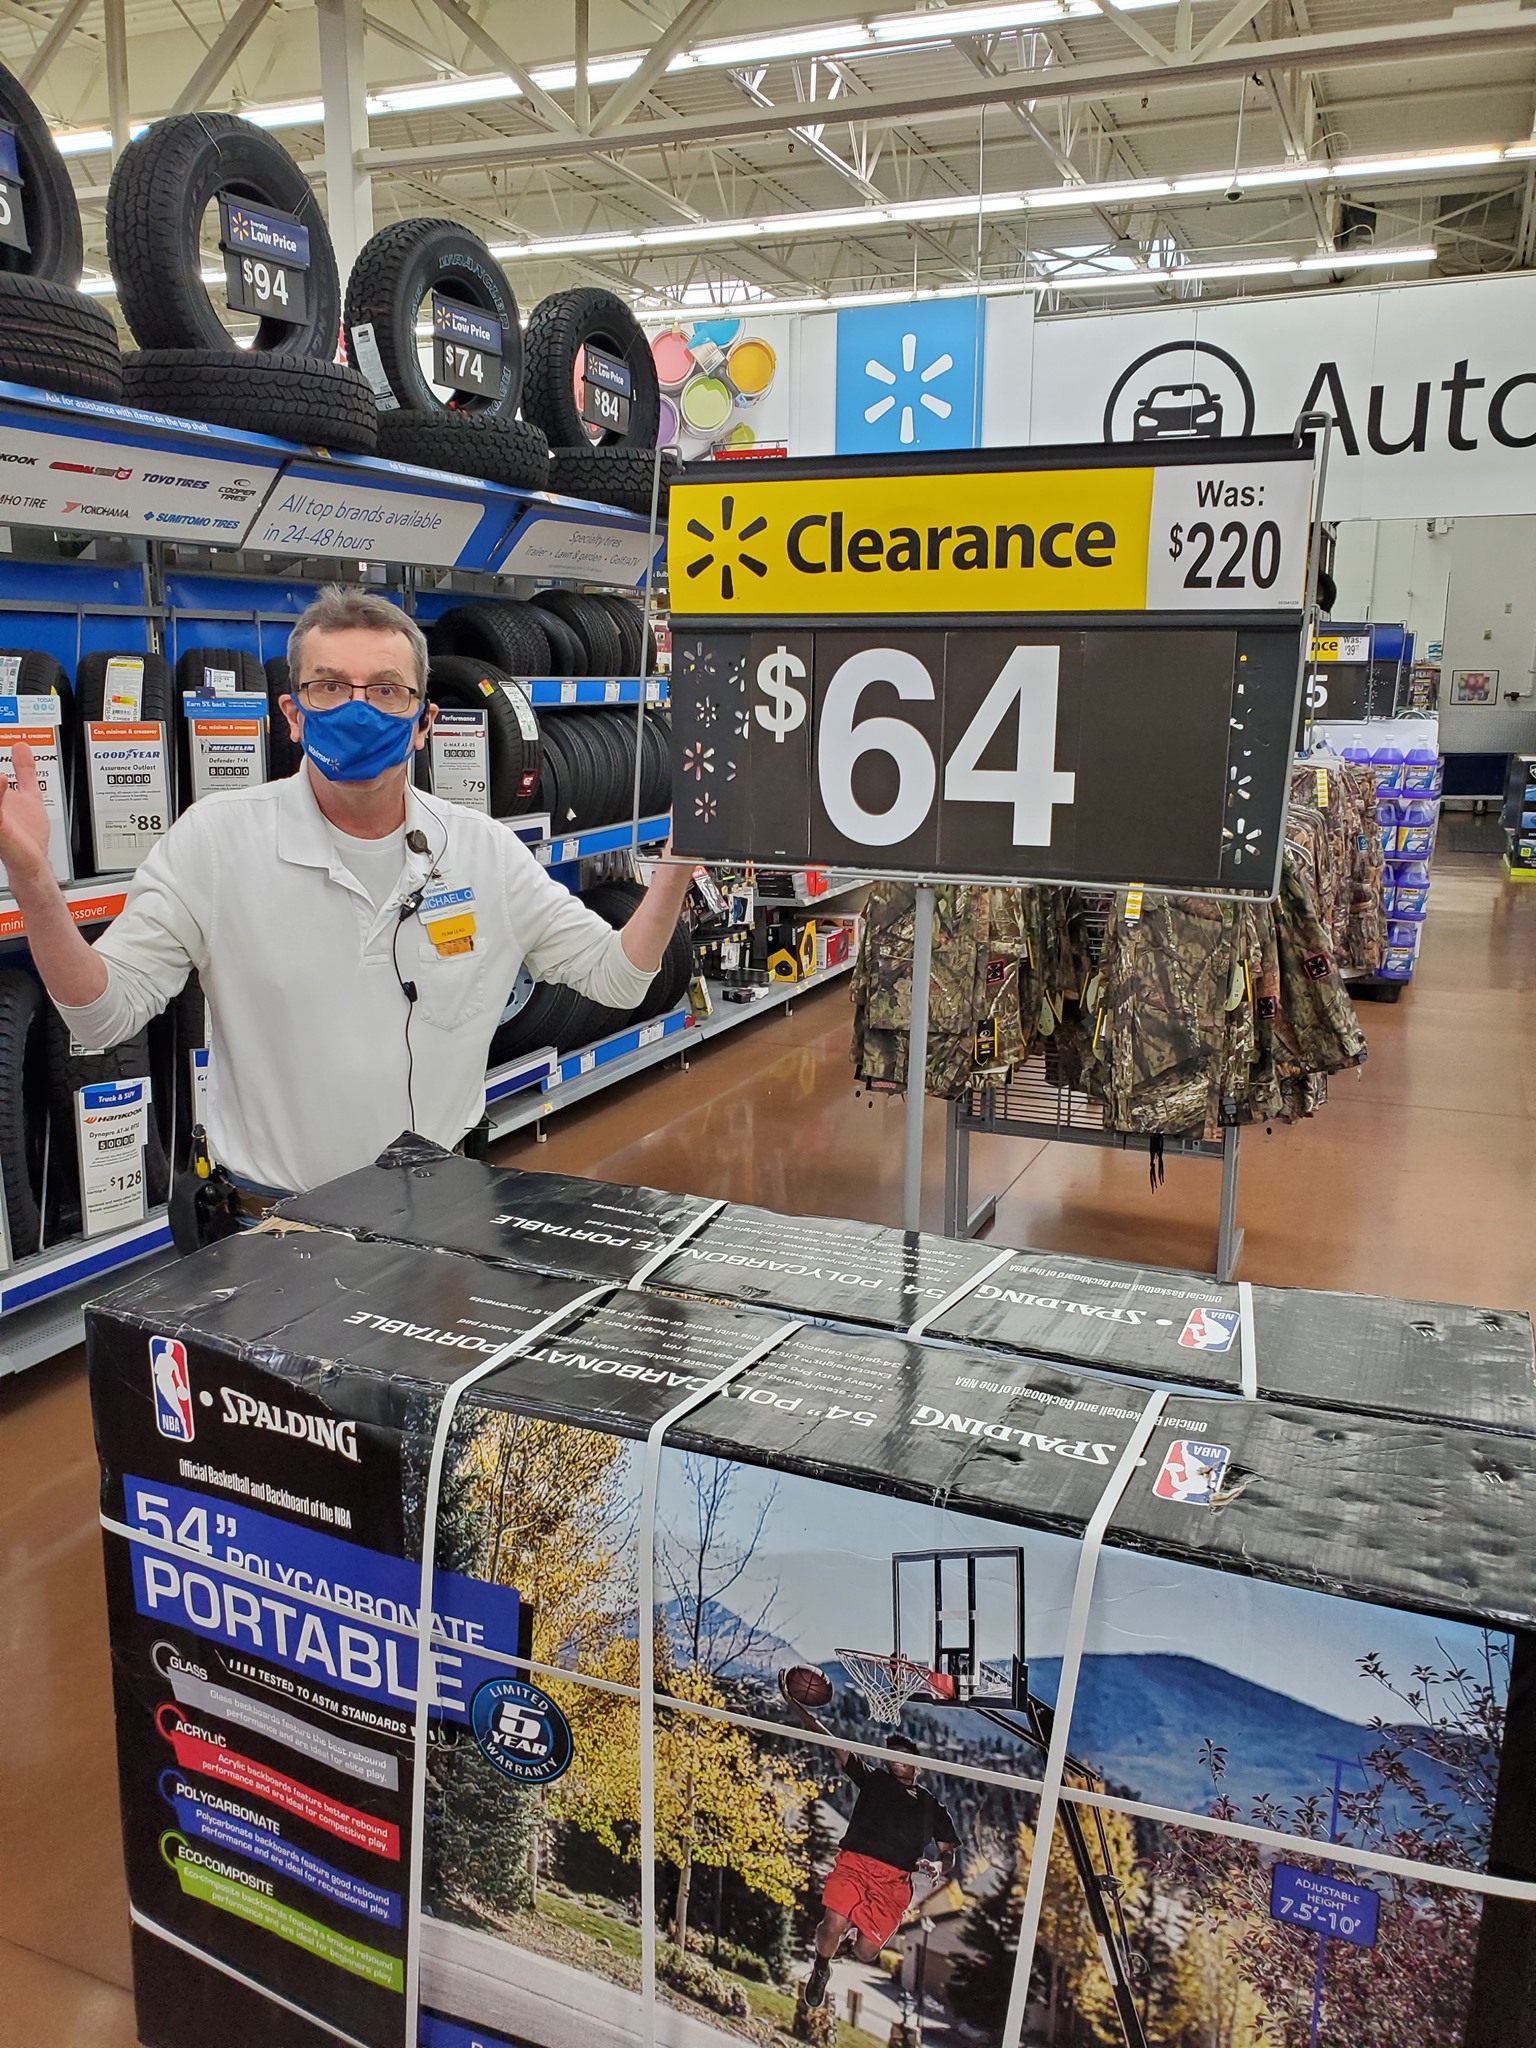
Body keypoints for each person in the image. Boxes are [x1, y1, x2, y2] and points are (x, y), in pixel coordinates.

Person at [0, 586, 693, 1201]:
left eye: (387, 690)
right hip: (276, 1230)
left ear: (423, 721)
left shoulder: (484, 853)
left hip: (445, 1215)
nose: (359, 709)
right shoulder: (214, 843)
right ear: (293, 714)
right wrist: (35, 883)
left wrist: (677, 865)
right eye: (329, 686)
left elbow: (618, 977)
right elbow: (101, 1018)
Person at [779, 1676, 959, 2012]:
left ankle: (850, 1937)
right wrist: (796, 1706)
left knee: (866, 1952)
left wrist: (937, 1864)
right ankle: (821, 1967)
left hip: (893, 1884)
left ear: (918, 1764)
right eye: (890, 1757)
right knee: (831, 1925)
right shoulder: (874, 1780)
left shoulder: (932, 1806)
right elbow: (833, 1742)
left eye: (902, 1756)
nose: (895, 1761)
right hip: (855, 1864)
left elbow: (949, 1854)